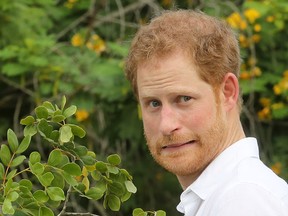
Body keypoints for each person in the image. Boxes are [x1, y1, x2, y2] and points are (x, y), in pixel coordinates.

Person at [124, 9, 288, 216]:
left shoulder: (244, 199)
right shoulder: (222, 195)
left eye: (184, 99)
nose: (166, 125)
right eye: (154, 103)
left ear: (228, 92)